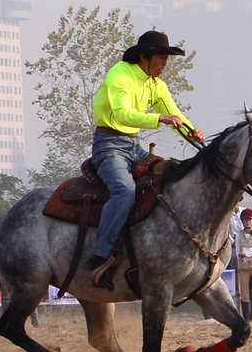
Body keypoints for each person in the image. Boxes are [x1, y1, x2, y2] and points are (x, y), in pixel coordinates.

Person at [87, 30, 205, 290]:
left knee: (167, 180)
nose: (164, 64)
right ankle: (99, 256)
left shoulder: (157, 85)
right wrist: (159, 119)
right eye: (161, 59)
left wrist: (193, 132)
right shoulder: (120, 75)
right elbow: (123, 115)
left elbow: (174, 115)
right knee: (125, 191)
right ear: (144, 57)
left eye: (166, 59)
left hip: (133, 145)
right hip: (109, 145)